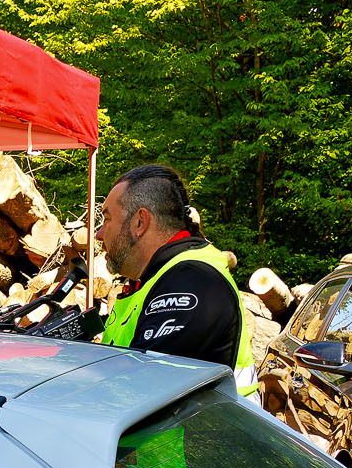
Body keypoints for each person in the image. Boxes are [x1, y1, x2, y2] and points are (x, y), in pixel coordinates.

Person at [93, 164, 250, 388]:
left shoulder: (191, 281)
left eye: (107, 219)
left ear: (140, 222)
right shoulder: (156, 279)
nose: (99, 234)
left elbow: (140, 387)